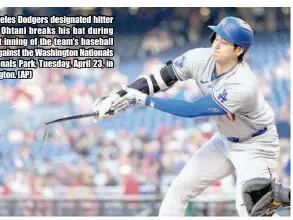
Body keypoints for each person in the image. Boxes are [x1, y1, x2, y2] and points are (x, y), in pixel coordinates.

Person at [92, 16, 281, 216]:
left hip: (256, 145)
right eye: (217, 37)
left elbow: (192, 109)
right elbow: (159, 79)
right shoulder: (200, 58)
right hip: (224, 140)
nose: (216, 44)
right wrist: (117, 96)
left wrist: (143, 100)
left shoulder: (243, 84)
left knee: (251, 211)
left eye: (224, 42)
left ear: (239, 50)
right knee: (179, 189)